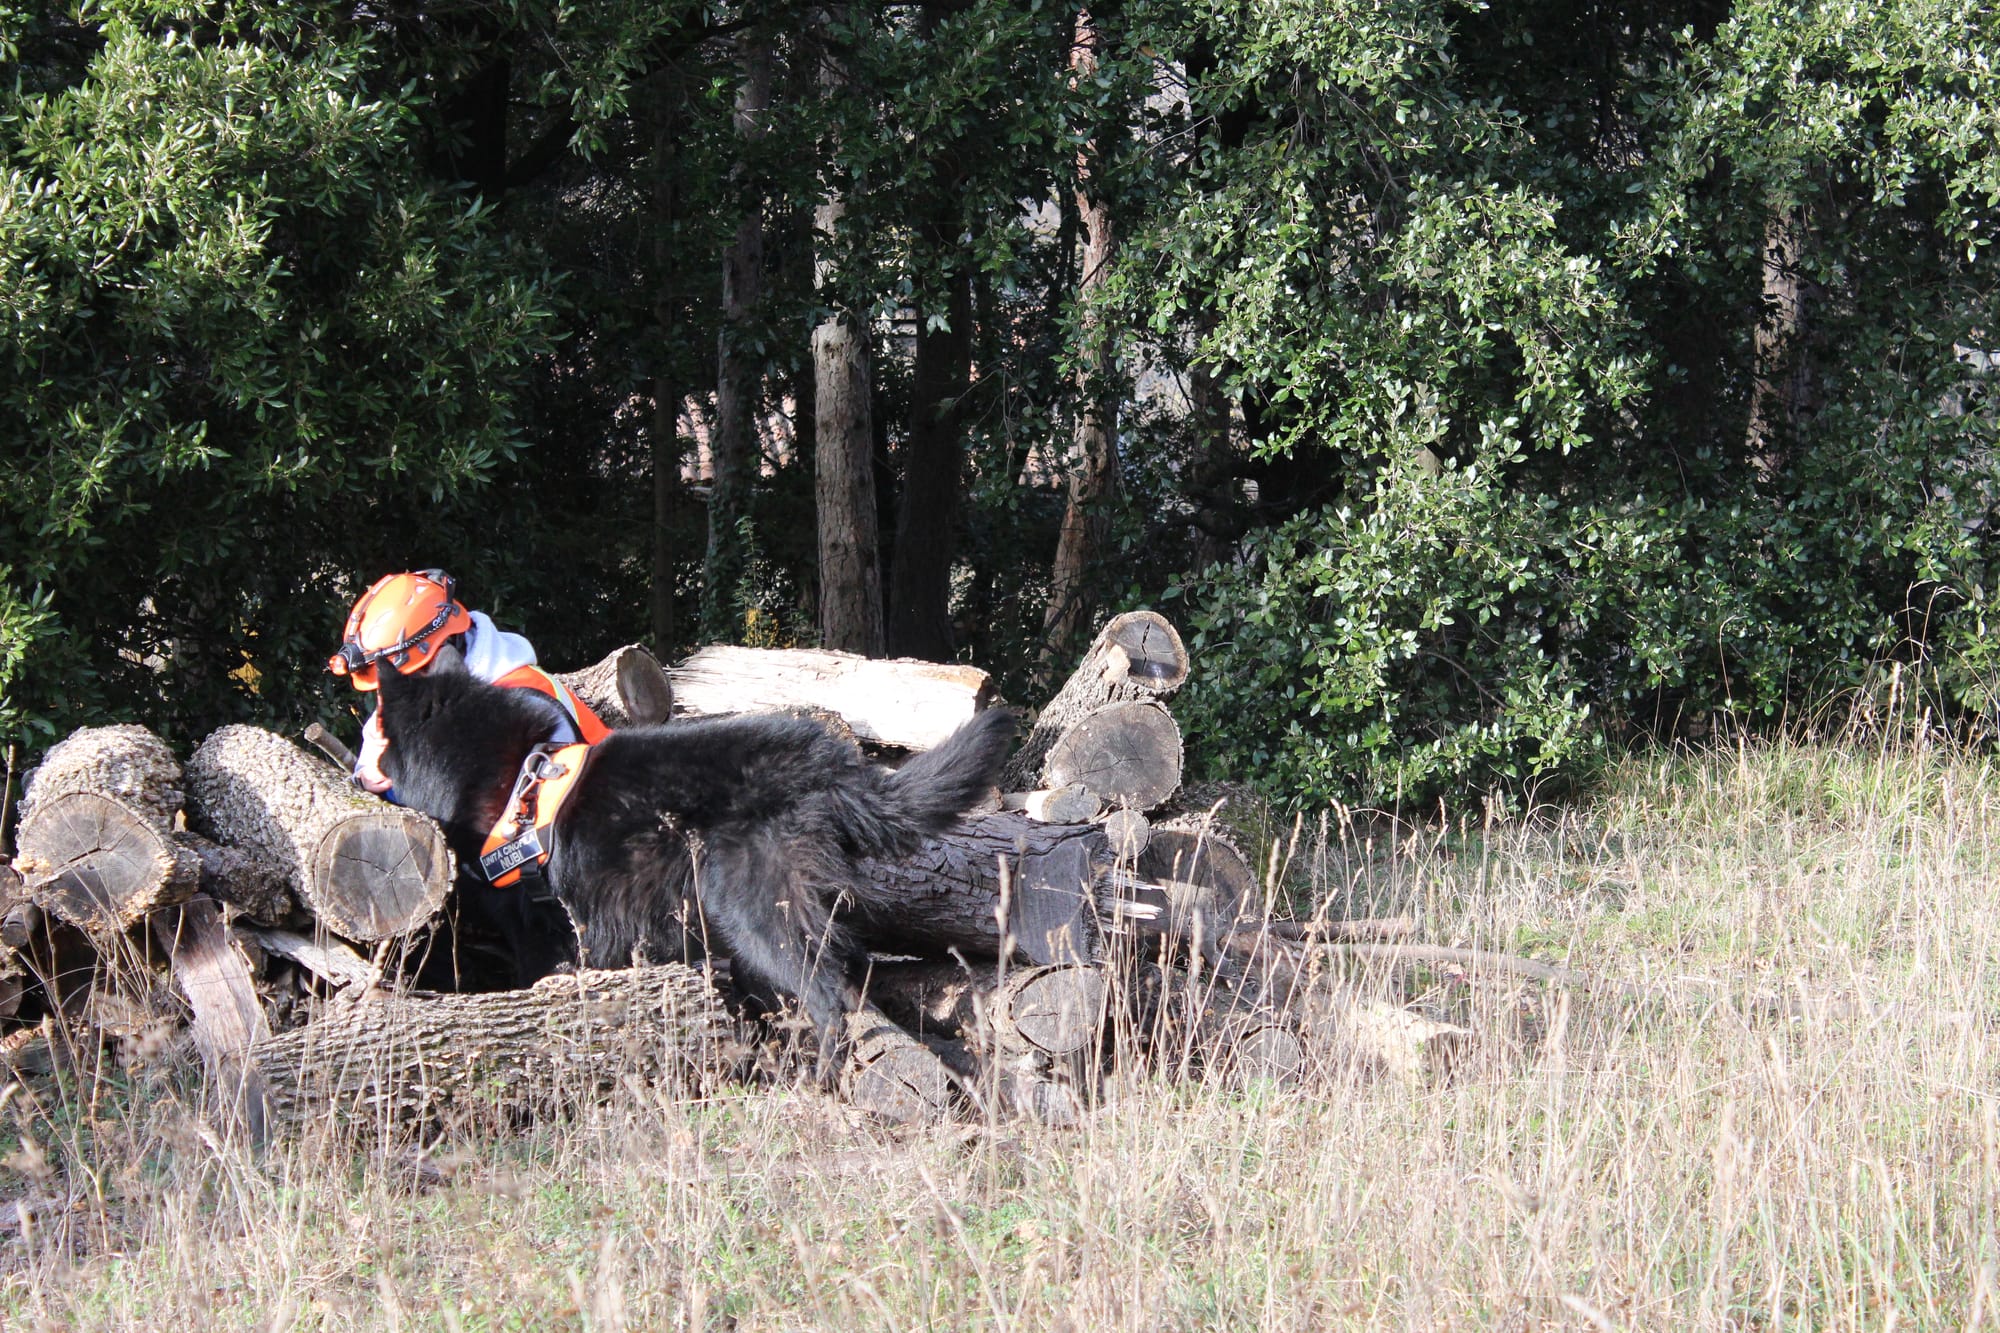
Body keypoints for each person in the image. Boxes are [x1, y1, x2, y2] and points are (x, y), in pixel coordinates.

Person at [328, 569, 609, 796]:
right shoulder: (418, 693)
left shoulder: (523, 699)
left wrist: (400, 772)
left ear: (439, 656)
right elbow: (375, 753)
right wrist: (368, 775)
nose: (388, 698)